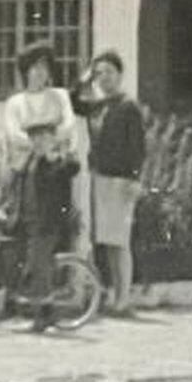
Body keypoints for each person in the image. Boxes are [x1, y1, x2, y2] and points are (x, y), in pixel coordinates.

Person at [1, 42, 80, 332]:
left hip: (50, 176)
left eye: (44, 68)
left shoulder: (58, 97)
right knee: (16, 235)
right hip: (23, 174)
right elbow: (14, 134)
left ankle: (45, 306)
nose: (39, 73)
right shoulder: (15, 103)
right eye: (33, 68)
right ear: (25, 72)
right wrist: (40, 140)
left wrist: (49, 141)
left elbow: (69, 126)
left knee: (43, 237)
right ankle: (15, 298)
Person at [73, 50, 145, 317]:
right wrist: (85, 78)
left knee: (121, 242)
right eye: (100, 73)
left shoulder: (129, 106)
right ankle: (115, 295)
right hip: (100, 178)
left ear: (120, 75)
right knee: (108, 241)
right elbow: (73, 102)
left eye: (109, 73)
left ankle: (124, 299)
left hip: (121, 180)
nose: (105, 78)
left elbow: (138, 147)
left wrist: (135, 179)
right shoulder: (98, 105)